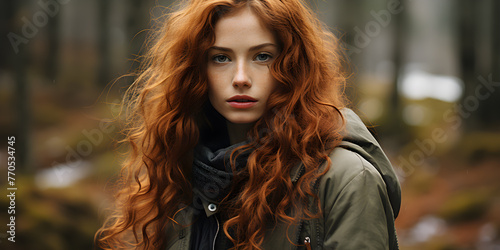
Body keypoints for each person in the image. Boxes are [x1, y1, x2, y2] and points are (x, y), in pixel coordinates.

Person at [95, 0, 401, 249]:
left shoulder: (346, 180)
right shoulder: (179, 172)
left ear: (294, 65)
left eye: (262, 56)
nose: (241, 78)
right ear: (195, 70)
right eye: (221, 58)